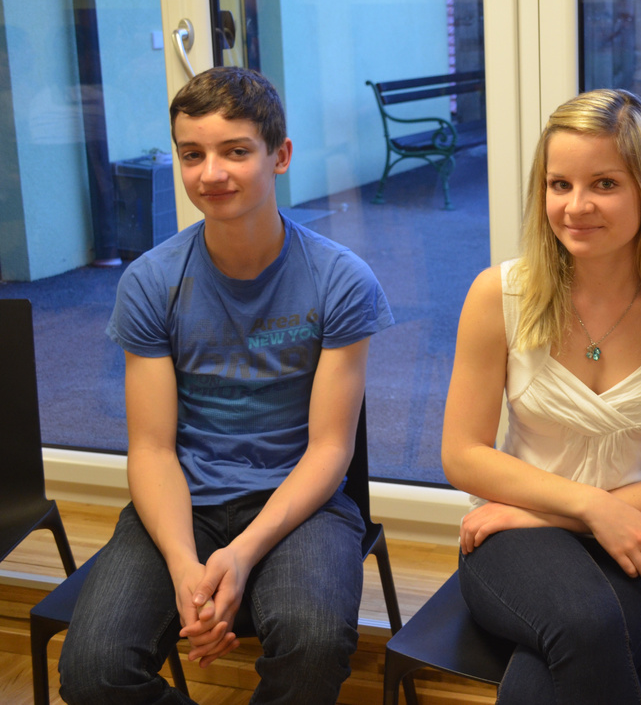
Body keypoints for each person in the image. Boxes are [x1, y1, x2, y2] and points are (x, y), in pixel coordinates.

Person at [59, 67, 394, 704]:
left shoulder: (340, 279)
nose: (211, 174)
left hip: (300, 503)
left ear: (280, 156)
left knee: (313, 642)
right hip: (183, 501)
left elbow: (331, 448)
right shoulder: (152, 282)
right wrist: (184, 565)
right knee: (94, 671)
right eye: (192, 155)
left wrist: (241, 553)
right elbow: (152, 449)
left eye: (235, 151)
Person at [443, 88, 641, 704]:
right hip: (510, 544)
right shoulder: (496, 295)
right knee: (585, 623)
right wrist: (590, 508)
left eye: (604, 184)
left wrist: (546, 511)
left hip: (635, 544)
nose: (576, 206)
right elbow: (463, 456)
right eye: (560, 185)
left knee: (541, 683)